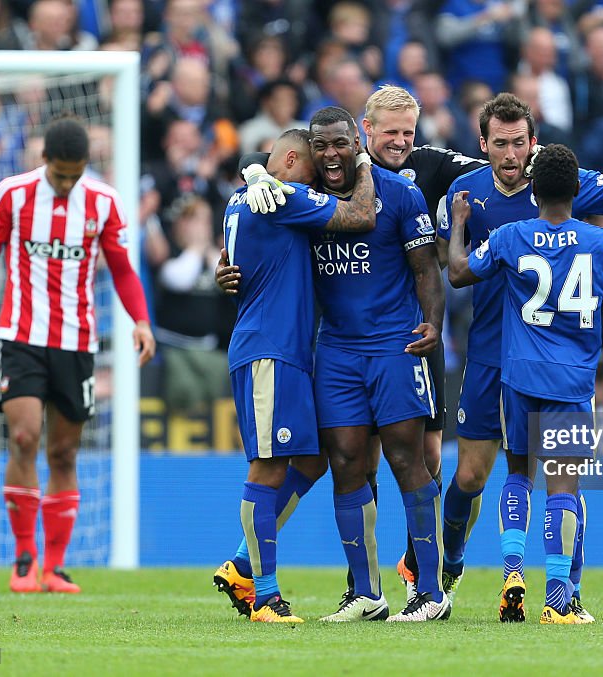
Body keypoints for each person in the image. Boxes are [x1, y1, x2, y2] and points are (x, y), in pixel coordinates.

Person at [220, 85, 488, 606]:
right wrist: (247, 195)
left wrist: (433, 323)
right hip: (334, 350)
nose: (401, 141)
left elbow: (425, 267)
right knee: (342, 459)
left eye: (408, 132)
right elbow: (270, 171)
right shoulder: (307, 189)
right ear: (365, 132)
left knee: (413, 458)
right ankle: (364, 594)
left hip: (398, 343)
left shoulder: (409, 184)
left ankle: (429, 589)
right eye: (391, 132)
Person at [436, 93, 603, 623]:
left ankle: (540, 581)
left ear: (533, 144)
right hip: (506, 359)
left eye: (520, 142)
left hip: (522, 361)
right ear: (484, 145)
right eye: (501, 143)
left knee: (519, 474)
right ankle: (457, 567)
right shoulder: (468, 192)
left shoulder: (518, 221)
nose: (511, 152)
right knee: (475, 477)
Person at [0, 116, 156, 593]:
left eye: (76, 174)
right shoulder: (11, 194)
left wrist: (139, 320)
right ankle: (23, 558)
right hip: (21, 337)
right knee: (25, 437)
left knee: (64, 449)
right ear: (43, 161)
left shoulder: (104, 202)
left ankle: (53, 567)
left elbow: (122, 269)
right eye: (60, 174)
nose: (68, 182)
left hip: (77, 342)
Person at [214, 128, 377, 623]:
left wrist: (254, 168)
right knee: (267, 466)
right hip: (270, 350)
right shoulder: (280, 197)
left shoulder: (250, 194)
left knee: (310, 461)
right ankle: (264, 595)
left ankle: (243, 562)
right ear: (289, 159)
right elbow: (359, 215)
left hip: (278, 350)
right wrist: (364, 164)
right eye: (312, 170)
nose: (319, 184)